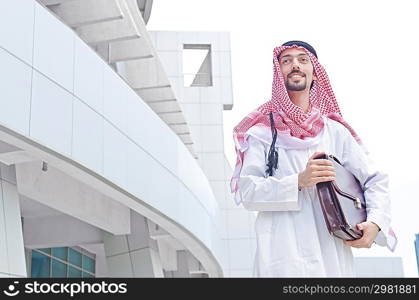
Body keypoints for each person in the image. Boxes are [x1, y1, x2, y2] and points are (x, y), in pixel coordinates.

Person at [230, 40, 397, 277]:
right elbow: (247, 192)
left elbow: (374, 180)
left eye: (302, 59)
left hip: (331, 259)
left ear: (315, 73)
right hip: (281, 258)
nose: (295, 65)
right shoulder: (261, 133)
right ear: (279, 74)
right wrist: (299, 181)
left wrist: (375, 222)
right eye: (286, 61)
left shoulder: (335, 131)